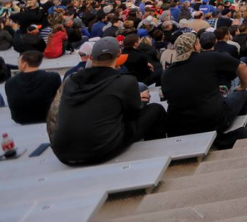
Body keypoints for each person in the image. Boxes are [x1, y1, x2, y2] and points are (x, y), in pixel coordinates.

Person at [49, 37, 167, 165]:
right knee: (156, 110)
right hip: (100, 150)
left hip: (63, 153)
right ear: (119, 55)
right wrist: (139, 99)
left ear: (91, 57)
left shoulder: (71, 81)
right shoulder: (125, 81)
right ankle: (155, 158)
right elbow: (133, 113)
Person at [160, 33, 247, 138]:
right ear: (196, 46)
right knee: (243, 94)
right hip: (212, 120)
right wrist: (243, 87)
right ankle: (234, 129)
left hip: (179, 127)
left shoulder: (166, 74)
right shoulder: (210, 57)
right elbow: (242, 66)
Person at [5, 50, 62, 124]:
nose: (18, 65)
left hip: (20, 118)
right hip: (47, 116)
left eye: (18, 62)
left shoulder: (10, 82)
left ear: (24, 64)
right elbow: (58, 97)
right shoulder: (53, 77)